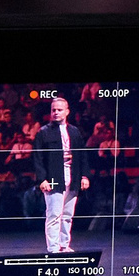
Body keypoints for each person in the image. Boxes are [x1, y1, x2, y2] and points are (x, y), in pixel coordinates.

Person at [31, 93, 92, 254]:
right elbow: (38, 157)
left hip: (72, 176)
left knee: (67, 215)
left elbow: (82, 155)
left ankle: (64, 245)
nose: (56, 112)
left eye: (59, 110)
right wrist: (42, 179)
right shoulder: (43, 132)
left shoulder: (74, 132)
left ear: (67, 112)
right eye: (53, 110)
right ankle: (53, 247)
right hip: (54, 177)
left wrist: (85, 176)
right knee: (54, 214)